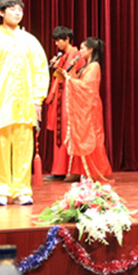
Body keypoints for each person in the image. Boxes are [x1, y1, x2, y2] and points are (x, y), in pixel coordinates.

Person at [0, 0, 50, 206]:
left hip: (25, 102)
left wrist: (38, 98)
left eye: (20, 10)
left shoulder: (30, 41)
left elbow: (40, 70)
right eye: (12, 9)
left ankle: (21, 190)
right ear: (1, 12)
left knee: (23, 147)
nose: (17, 13)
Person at [53, 37, 113, 183]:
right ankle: (80, 171)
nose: (80, 51)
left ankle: (95, 171)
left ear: (90, 50)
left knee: (92, 138)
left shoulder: (94, 66)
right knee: (80, 136)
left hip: (90, 108)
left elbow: (86, 87)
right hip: (84, 107)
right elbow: (79, 82)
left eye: (82, 48)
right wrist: (71, 72)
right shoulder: (87, 66)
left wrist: (69, 79)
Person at [43, 26, 85, 181]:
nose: (56, 44)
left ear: (67, 39)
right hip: (60, 98)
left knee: (68, 133)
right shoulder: (62, 56)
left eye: (59, 40)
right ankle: (59, 170)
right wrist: (56, 66)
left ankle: (72, 170)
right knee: (59, 135)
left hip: (70, 99)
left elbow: (78, 76)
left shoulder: (76, 55)